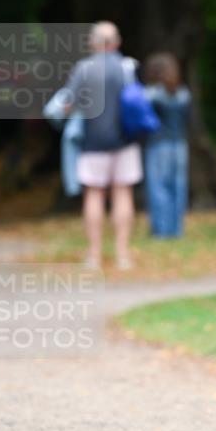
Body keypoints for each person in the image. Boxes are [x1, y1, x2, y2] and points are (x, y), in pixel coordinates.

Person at [63, 21, 142, 270]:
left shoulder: (83, 69)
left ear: (93, 43)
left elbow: (67, 104)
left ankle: (94, 256)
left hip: (92, 143)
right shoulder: (129, 67)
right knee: (123, 194)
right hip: (125, 142)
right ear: (117, 42)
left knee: (94, 195)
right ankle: (122, 255)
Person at [142, 53, 192, 237]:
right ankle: (176, 229)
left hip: (158, 144)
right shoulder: (184, 93)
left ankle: (161, 230)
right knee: (178, 187)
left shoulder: (150, 94)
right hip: (180, 144)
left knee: (158, 187)